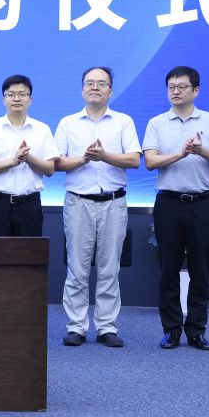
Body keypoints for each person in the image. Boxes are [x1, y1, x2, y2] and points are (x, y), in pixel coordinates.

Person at [143, 66, 209, 351]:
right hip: (168, 203)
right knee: (168, 268)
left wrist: (201, 150)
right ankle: (171, 330)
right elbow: (150, 162)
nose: (176, 92)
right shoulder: (157, 122)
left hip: (202, 203)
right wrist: (181, 154)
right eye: (171, 87)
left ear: (196, 90)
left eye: (182, 87)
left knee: (200, 270)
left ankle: (196, 330)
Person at [55, 67, 141, 349]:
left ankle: (106, 327)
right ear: (82, 89)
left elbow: (134, 160)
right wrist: (83, 159)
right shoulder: (68, 123)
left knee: (109, 269)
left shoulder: (123, 122)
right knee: (77, 268)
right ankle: (76, 327)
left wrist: (104, 155)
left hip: (114, 203)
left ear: (110, 91)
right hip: (78, 202)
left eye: (101, 83)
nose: (95, 87)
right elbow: (56, 163)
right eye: (90, 83)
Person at [0, 75, 58, 237]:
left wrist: (29, 159)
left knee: (29, 252)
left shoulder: (42, 129)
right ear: (3, 99)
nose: (16, 99)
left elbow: (50, 169)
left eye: (22, 94)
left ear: (30, 99)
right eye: (11, 94)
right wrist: (13, 161)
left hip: (30, 204)